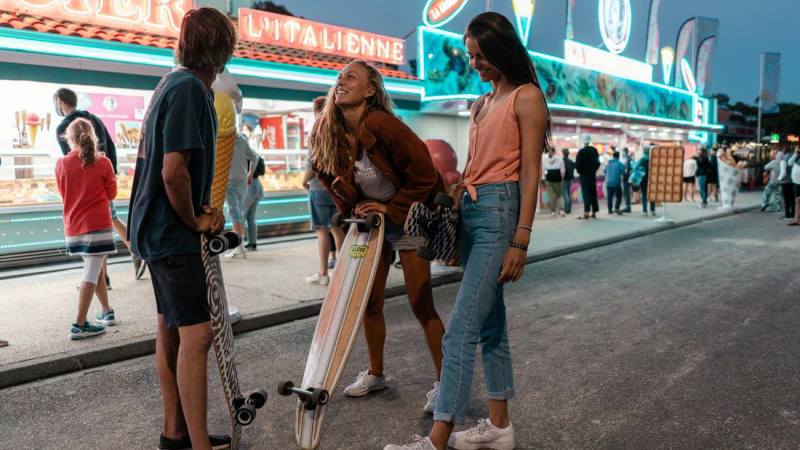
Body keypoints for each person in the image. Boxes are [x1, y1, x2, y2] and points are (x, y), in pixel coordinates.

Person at [385, 12, 548, 450]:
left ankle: (436, 438)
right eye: (471, 56)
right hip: (473, 211)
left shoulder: (527, 97)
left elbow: (531, 172)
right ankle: (499, 428)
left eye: (479, 55)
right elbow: (476, 166)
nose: (474, 63)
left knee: (459, 330)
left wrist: (522, 237)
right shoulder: (482, 102)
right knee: (492, 327)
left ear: (500, 50)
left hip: (500, 214)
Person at [126, 8, 236, 450]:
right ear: (223, 50)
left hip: (151, 230)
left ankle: (177, 433)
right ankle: (197, 445)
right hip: (172, 234)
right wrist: (197, 218)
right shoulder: (191, 89)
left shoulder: (171, 84)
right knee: (198, 333)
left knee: (169, 329)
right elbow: (174, 171)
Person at [310, 60, 447, 413]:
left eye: (351, 77)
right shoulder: (327, 131)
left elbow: (425, 178)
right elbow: (325, 175)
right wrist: (352, 206)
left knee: (420, 302)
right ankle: (376, 373)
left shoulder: (384, 125)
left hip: (407, 224)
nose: (341, 81)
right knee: (368, 302)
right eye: (339, 77)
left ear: (370, 91)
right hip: (371, 228)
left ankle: (447, 382)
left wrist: (390, 207)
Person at [54, 88, 146, 281]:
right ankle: (126, 258)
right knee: (107, 220)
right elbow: (110, 147)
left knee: (97, 228)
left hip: (85, 190)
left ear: (59, 101)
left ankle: (103, 276)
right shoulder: (94, 119)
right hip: (101, 180)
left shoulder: (63, 127)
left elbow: (71, 161)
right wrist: (109, 173)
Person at [55, 118, 118, 339]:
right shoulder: (104, 163)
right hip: (98, 225)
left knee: (96, 270)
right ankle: (79, 324)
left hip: (74, 227)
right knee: (91, 273)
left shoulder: (61, 163)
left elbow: (63, 193)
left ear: (69, 139)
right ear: (93, 136)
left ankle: (106, 312)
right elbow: (111, 195)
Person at [303, 96, 346, 285]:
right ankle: (344, 271)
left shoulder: (316, 131)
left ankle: (323, 274)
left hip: (319, 189)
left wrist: (304, 181)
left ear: (315, 111)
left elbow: (312, 163)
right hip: (337, 188)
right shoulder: (339, 130)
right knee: (337, 229)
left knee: (322, 231)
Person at [223, 131, 259, 258]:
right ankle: (239, 246)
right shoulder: (242, 140)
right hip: (242, 179)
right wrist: (250, 174)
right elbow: (255, 157)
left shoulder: (223, 140)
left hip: (228, 179)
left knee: (234, 214)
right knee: (238, 212)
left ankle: (239, 247)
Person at [242, 155, 265, 250]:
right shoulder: (258, 157)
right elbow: (262, 172)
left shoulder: (245, 158)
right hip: (258, 185)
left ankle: (239, 244)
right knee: (251, 217)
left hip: (248, 186)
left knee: (241, 216)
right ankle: (253, 243)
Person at [575, 135, 600, 219]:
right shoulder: (594, 150)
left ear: (583, 142)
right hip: (592, 175)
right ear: (589, 141)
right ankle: (594, 212)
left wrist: (580, 172)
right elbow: (598, 163)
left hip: (584, 176)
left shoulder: (581, 152)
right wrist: (594, 170)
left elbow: (577, 164)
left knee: (586, 194)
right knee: (593, 193)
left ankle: (586, 212)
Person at [541, 147, 565, 217]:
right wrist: (562, 178)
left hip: (548, 179)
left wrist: (543, 179)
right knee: (559, 195)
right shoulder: (559, 159)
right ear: (554, 151)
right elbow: (563, 171)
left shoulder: (544, 160)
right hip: (558, 179)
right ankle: (561, 210)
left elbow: (543, 171)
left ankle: (553, 211)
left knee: (551, 196)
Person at [637, 145, 657, 216]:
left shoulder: (642, 159)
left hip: (643, 179)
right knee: (652, 194)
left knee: (644, 195)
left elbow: (636, 167)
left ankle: (644, 211)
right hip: (652, 179)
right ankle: (653, 210)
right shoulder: (653, 159)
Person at [604, 150, 624, 215]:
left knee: (610, 197)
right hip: (616, 183)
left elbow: (604, 171)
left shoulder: (608, 163)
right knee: (619, 196)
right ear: (618, 156)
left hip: (608, 182)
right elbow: (623, 172)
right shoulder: (620, 164)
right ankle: (616, 208)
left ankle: (609, 210)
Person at [779, 149, 796, 220]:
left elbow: (783, 173)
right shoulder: (794, 159)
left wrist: (779, 179)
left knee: (786, 199)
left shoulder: (783, 160)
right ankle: (793, 214)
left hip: (785, 182)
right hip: (793, 181)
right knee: (792, 199)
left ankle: (787, 215)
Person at [788, 148, 800, 226]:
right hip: (796, 182)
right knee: (797, 201)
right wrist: (795, 153)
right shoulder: (796, 157)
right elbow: (789, 163)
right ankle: (797, 220)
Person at [561, 148, 575, 214]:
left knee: (565, 194)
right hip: (570, 179)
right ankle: (569, 209)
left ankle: (566, 209)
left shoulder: (562, 161)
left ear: (563, 153)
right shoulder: (571, 161)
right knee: (569, 194)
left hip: (564, 179)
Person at [620, 147, 633, 212]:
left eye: (623, 152)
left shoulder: (627, 159)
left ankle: (628, 207)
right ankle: (628, 206)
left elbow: (627, 170)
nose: (622, 153)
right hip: (628, 178)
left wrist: (624, 175)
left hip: (627, 178)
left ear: (625, 152)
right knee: (626, 193)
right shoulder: (628, 159)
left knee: (626, 193)